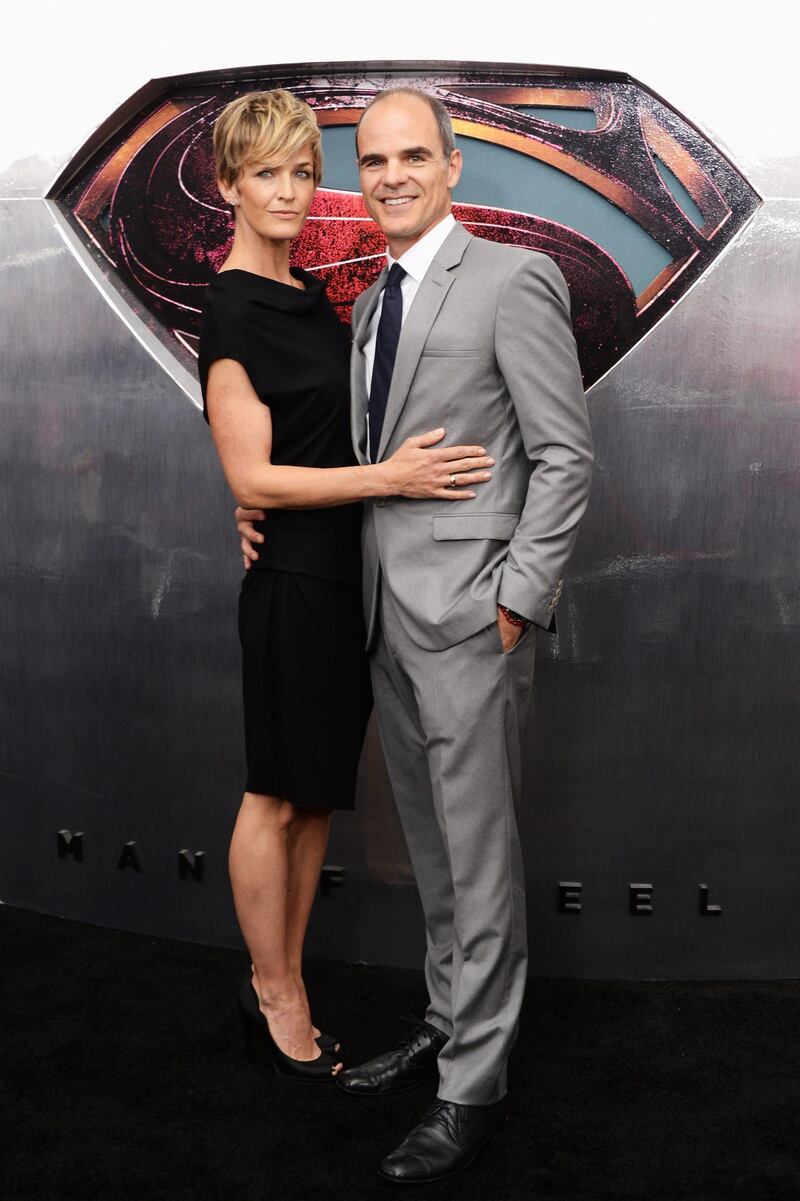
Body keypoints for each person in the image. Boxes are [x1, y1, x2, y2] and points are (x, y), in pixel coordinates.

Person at [237, 85, 593, 1177]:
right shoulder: (368, 297)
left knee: (480, 861)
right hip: (385, 615)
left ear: (451, 168)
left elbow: (563, 455)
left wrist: (517, 597)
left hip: (472, 618)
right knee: (433, 854)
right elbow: (363, 453)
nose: (390, 176)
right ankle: (445, 1022)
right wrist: (255, 500)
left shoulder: (509, 279)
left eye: (411, 157)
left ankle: (471, 1086)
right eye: (374, 160)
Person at [197, 90, 496, 1084]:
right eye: (265, 174)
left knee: (316, 798)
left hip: (344, 579)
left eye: (299, 171)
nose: (287, 190)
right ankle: (273, 986)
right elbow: (250, 477)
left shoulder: (311, 297)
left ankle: (285, 977)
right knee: (272, 795)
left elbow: (304, 441)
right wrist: (386, 479)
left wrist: (334, 490)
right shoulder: (233, 306)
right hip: (291, 582)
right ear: (227, 186)